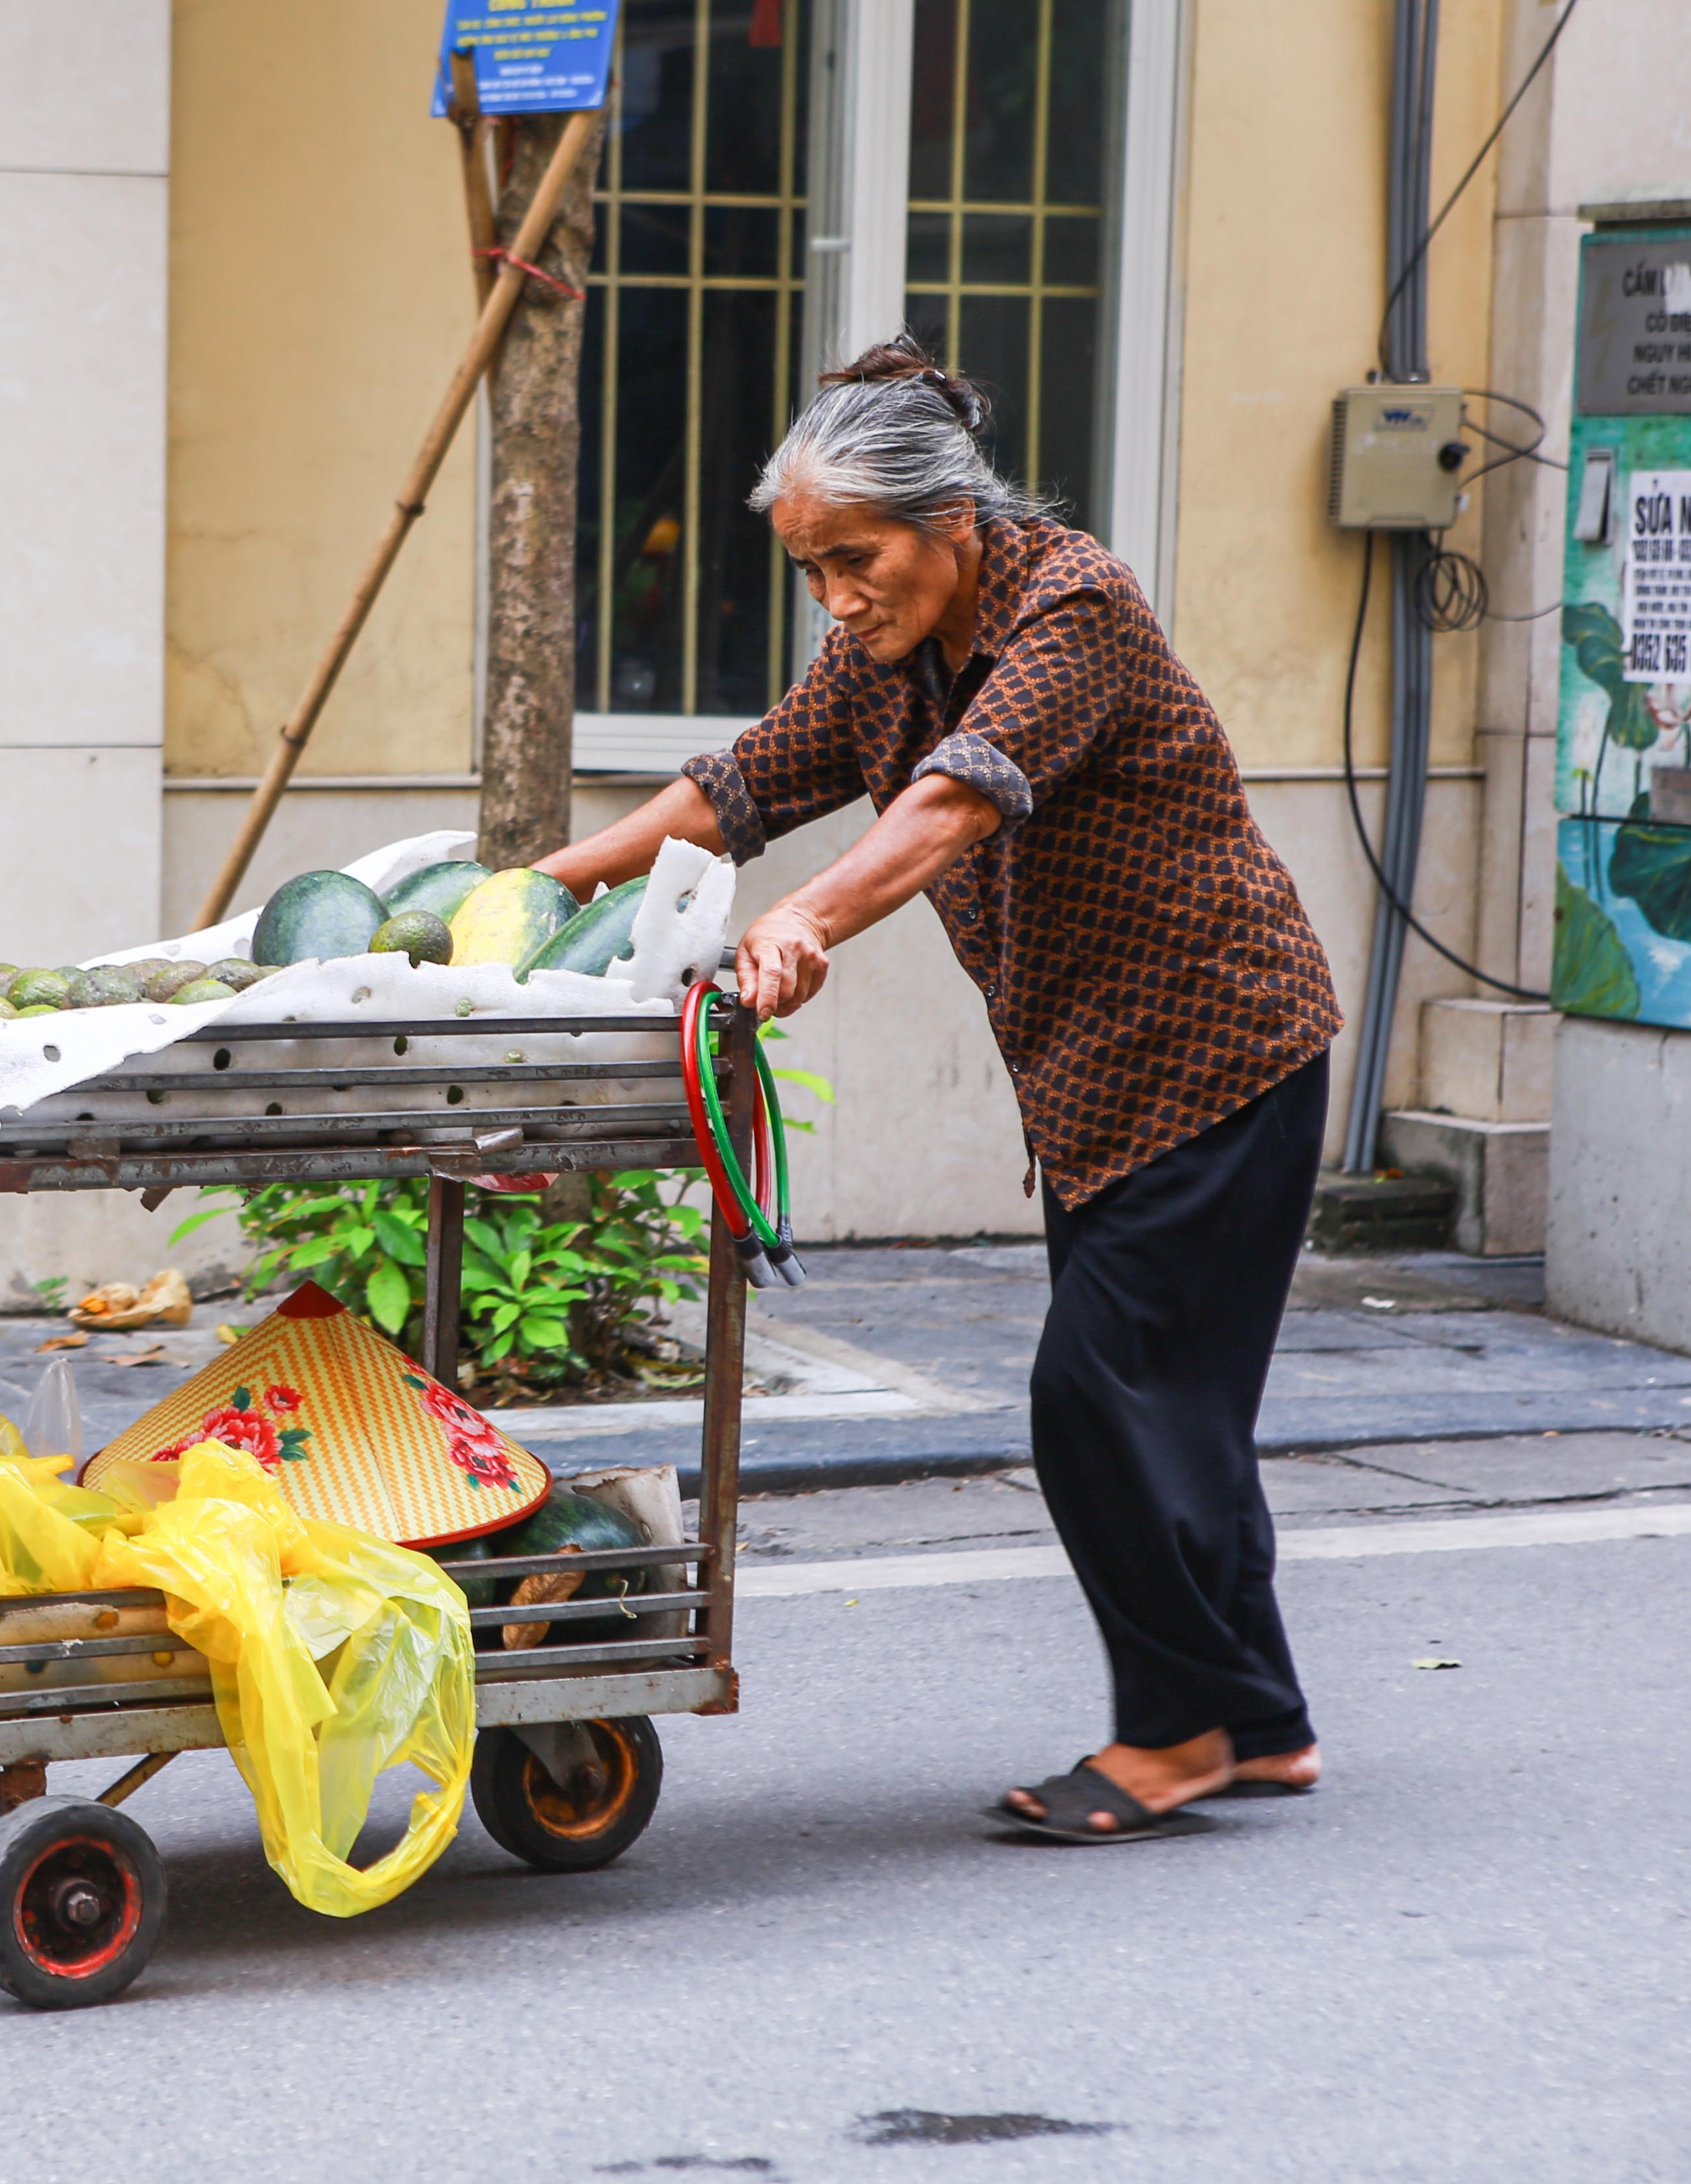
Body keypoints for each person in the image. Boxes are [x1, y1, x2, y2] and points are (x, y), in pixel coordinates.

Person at [536, 337, 1344, 1843]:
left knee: (1101, 1400)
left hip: (1219, 1051)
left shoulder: (1072, 607)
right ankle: (1261, 1721)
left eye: (859, 559)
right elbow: (742, 785)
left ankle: (1175, 1736)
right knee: (1176, 1405)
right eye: (813, 573)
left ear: (950, 519)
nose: (839, 600)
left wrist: (804, 922)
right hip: (1097, 1081)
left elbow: (955, 799)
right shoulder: (878, 656)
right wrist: (543, 882)